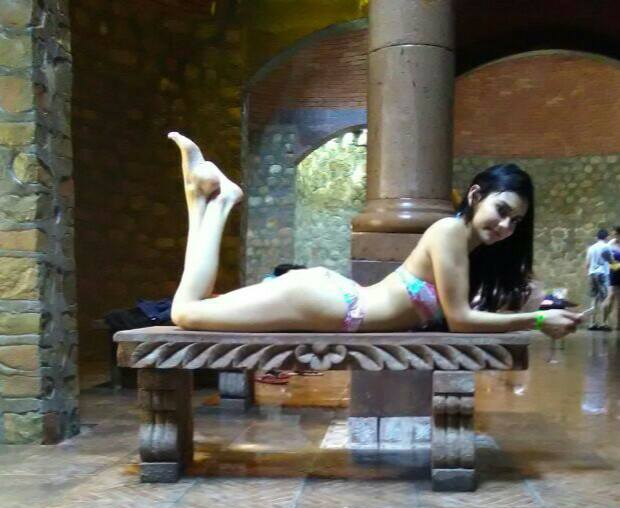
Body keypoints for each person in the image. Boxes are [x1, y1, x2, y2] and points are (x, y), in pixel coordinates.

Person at [168, 132, 581, 339]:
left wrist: (538, 309)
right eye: (502, 211)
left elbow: (468, 313)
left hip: (334, 301)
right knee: (185, 313)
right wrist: (538, 320)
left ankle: (207, 199)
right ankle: (212, 202)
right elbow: (461, 320)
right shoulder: (450, 232)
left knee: (189, 310)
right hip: (328, 303)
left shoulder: (466, 246)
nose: (506, 226)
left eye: (516, 222)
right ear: (475, 196)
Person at [585, 228, 613, 331]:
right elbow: (611, 260)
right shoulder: (607, 247)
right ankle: (604, 323)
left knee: (594, 298)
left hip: (592, 273)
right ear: (606, 237)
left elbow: (587, 263)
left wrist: (588, 273)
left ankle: (591, 323)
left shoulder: (591, 248)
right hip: (603, 273)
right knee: (604, 298)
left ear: (597, 237)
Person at [606, 226, 620, 330]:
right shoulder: (610, 244)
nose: (614, 236)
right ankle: (605, 321)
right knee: (610, 297)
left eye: (616, 234)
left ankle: (618, 324)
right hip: (613, 272)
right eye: (614, 234)